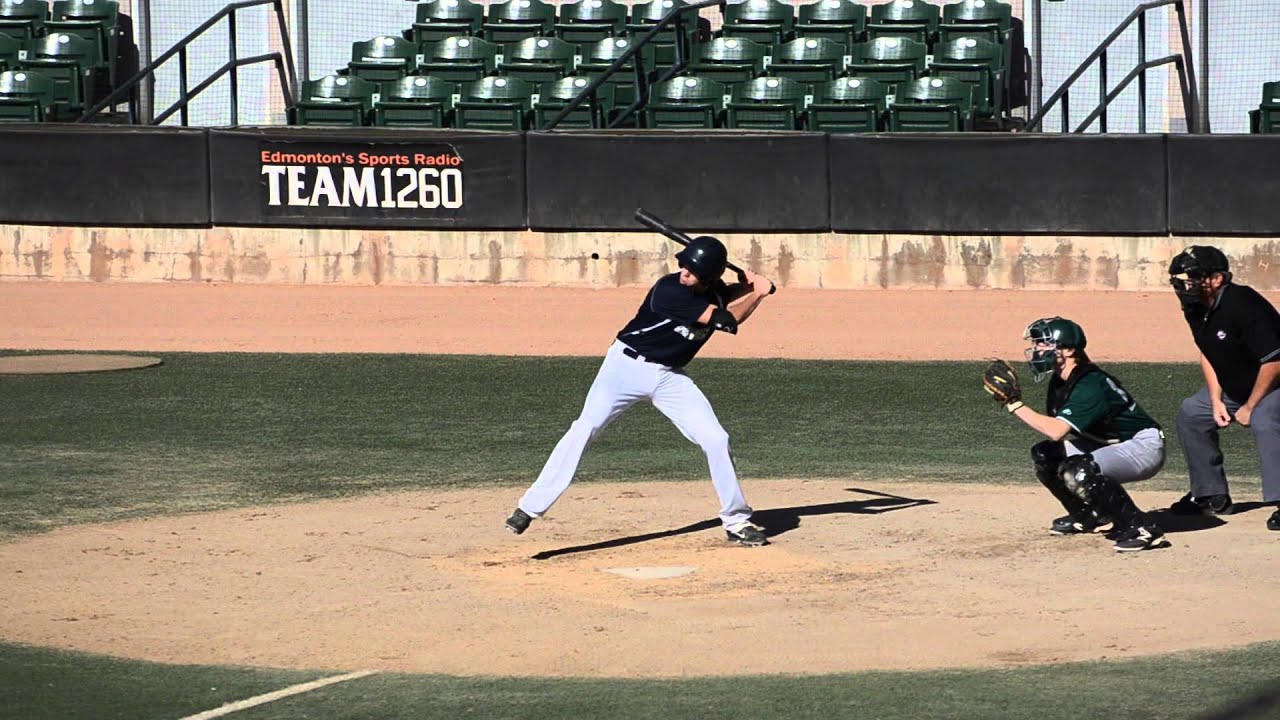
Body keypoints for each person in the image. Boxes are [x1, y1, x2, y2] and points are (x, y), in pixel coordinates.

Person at [504, 236, 776, 546]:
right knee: (585, 428)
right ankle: (529, 508)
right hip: (624, 369)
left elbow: (725, 294)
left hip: (669, 377)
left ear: (710, 278)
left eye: (693, 270)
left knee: (717, 439)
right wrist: (759, 293)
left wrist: (748, 285)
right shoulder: (669, 290)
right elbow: (727, 320)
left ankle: (737, 522)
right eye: (684, 266)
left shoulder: (712, 290)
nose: (684, 272)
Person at [984, 317, 1169, 552]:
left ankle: (1141, 528)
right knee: (1045, 454)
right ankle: (1089, 516)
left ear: (1069, 349)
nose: (1037, 350)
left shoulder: (1089, 383)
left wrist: (1014, 404)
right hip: (1110, 444)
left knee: (1078, 470)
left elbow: (1056, 431)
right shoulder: (1061, 380)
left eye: (1043, 344)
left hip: (1143, 448)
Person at [1167, 245, 1280, 531]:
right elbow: (1208, 351)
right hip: (1240, 387)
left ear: (1216, 279)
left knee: (1265, 419)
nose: (1186, 283)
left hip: (1274, 383)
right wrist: (1217, 399)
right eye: (1183, 276)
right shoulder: (1195, 305)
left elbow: (1274, 361)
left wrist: (1250, 406)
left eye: (1193, 276)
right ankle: (1210, 495)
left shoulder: (1245, 306)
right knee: (1193, 412)